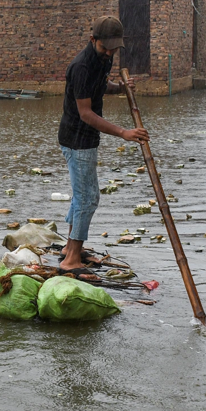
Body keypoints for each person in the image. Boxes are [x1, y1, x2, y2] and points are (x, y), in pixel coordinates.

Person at [57, 16, 150, 275]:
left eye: (113, 48)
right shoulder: (81, 66)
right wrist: (124, 132)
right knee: (88, 198)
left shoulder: (103, 58)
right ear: (92, 40)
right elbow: (86, 112)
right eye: (104, 47)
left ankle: (69, 248)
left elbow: (98, 87)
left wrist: (119, 87)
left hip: (85, 138)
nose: (109, 52)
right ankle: (71, 260)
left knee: (81, 195)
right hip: (77, 139)